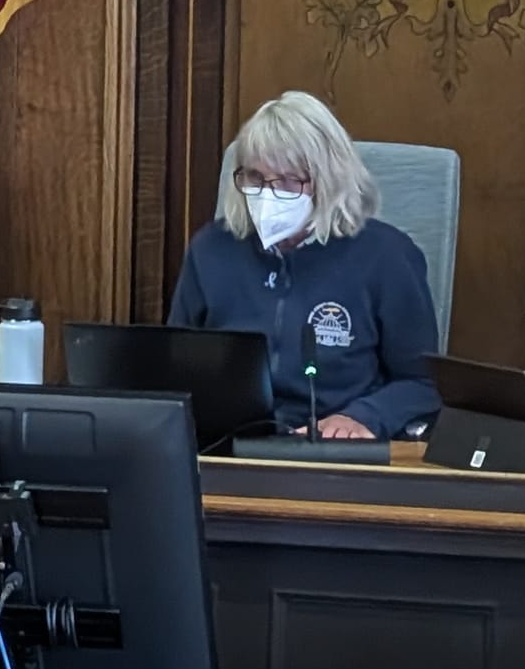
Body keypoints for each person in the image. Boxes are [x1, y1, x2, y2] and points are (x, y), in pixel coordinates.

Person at [169, 91, 439, 440]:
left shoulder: (388, 257)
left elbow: (422, 383)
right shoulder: (211, 249)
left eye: (289, 181)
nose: (269, 194)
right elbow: (174, 366)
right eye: (255, 178)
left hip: (332, 446)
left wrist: (364, 417)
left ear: (329, 181)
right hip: (226, 441)